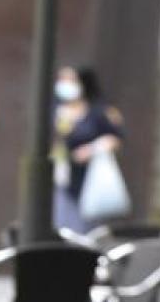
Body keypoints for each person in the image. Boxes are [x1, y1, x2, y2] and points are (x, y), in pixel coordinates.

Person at [52, 66, 124, 234]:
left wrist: (92, 149)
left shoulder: (98, 112)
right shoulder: (57, 111)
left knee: (87, 229)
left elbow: (115, 137)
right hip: (63, 178)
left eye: (71, 81)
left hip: (90, 179)